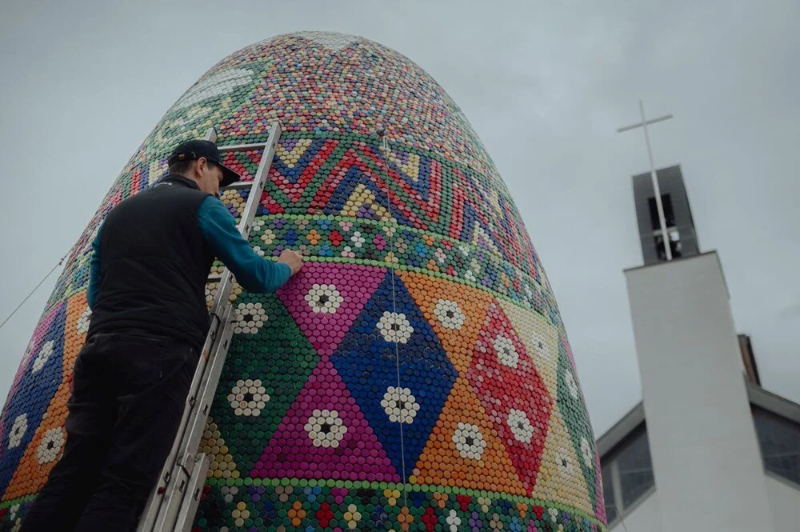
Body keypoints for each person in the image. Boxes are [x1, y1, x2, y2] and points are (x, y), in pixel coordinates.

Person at [20, 140, 303, 532]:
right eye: (219, 178)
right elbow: (254, 274)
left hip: (99, 349)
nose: (219, 190)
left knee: (71, 476)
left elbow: (95, 293)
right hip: (159, 352)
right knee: (124, 482)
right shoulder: (203, 208)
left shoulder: (118, 214)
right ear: (202, 166)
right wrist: (286, 266)